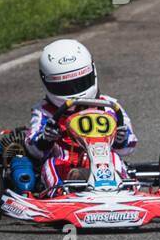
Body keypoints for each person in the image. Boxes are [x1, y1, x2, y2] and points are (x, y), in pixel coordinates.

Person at [25, 39, 136, 188]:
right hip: (64, 166)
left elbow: (128, 147)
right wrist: (46, 137)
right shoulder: (45, 112)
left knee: (115, 158)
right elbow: (33, 148)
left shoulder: (108, 106)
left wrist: (121, 139)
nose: (75, 92)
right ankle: (59, 197)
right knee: (51, 165)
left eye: (81, 83)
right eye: (65, 87)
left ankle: (124, 191)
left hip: (104, 163)